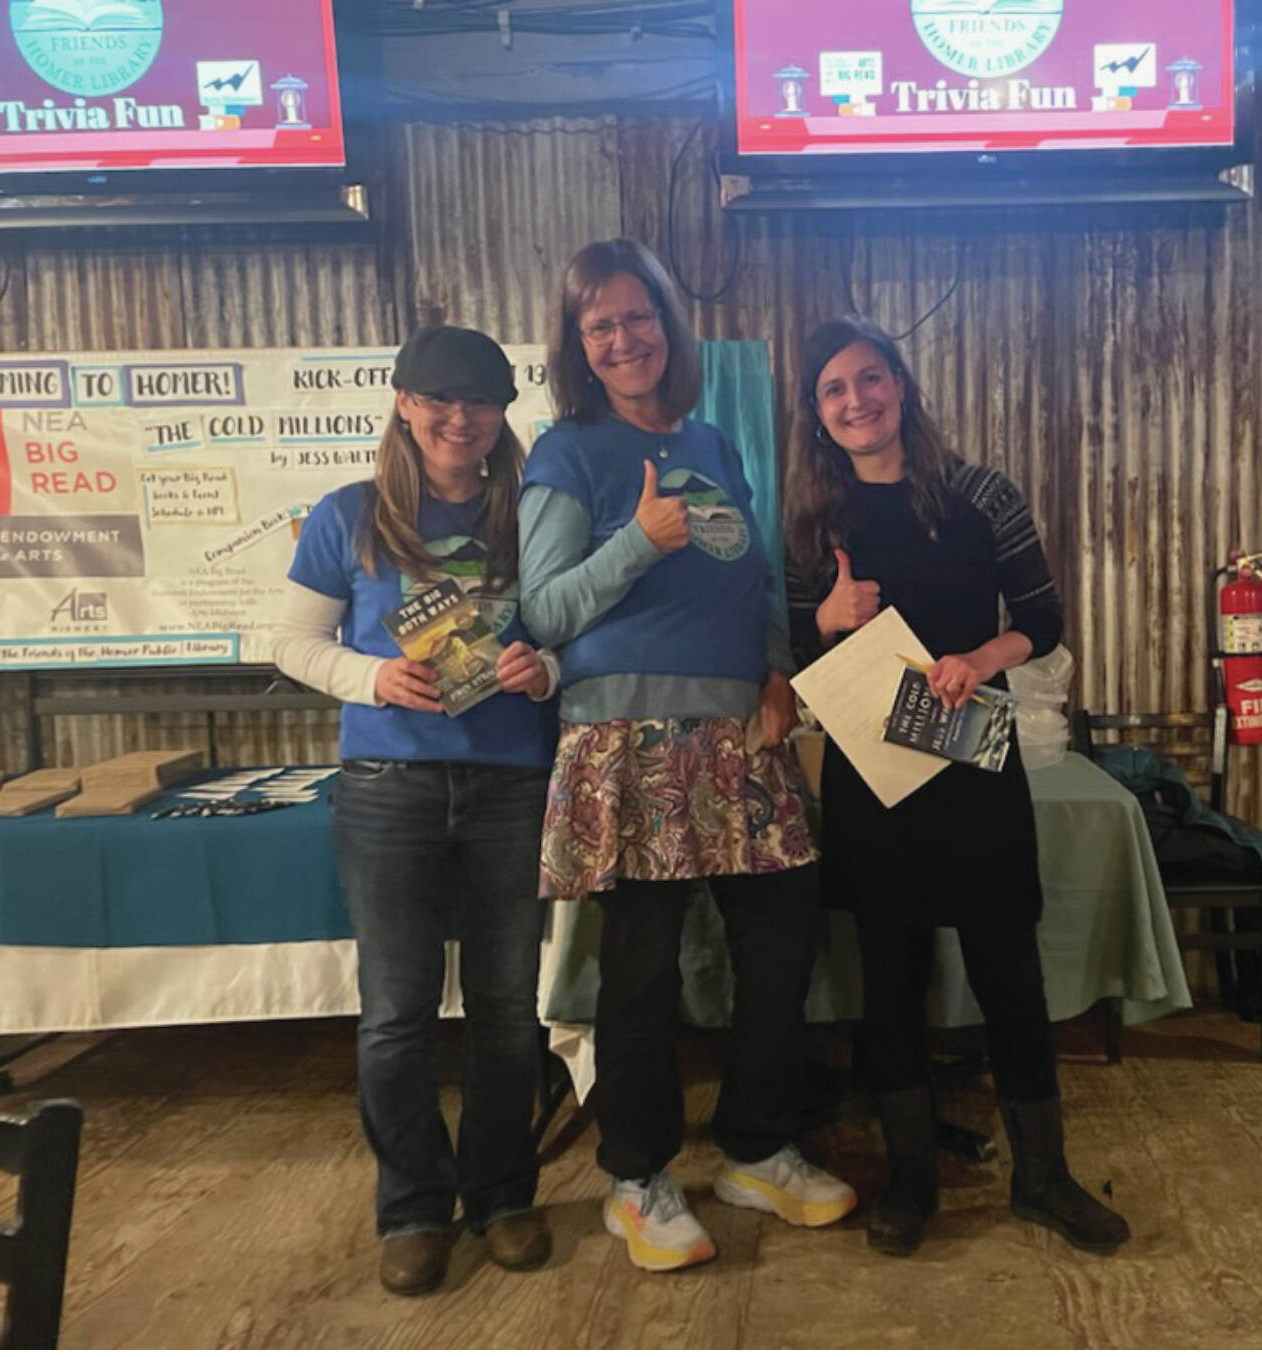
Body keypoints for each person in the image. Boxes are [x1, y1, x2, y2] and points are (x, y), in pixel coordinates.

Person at [518, 238, 856, 1272]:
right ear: (579, 346)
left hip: (739, 732)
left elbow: (754, 583)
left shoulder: (715, 438)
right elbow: (543, 606)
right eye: (600, 325)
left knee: (781, 938)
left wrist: (774, 669)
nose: (624, 338)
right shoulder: (566, 451)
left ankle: (756, 1146)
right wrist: (640, 538)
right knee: (642, 969)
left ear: (669, 320)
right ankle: (638, 1175)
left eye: (638, 315)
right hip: (628, 741)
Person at [783, 314, 1130, 1259]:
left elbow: (1045, 619)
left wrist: (981, 655)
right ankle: (910, 1179)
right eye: (834, 391)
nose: (857, 401)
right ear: (817, 415)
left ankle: (1043, 1178)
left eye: (870, 379)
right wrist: (824, 615)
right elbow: (784, 645)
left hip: (974, 750)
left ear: (900, 383)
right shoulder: (813, 519)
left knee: (1008, 971)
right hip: (873, 771)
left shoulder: (982, 494)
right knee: (886, 979)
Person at [271, 326, 560, 1295]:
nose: (460, 417)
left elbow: (579, 635)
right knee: (395, 1015)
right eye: (439, 397)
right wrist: (373, 678)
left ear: (502, 413)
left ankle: (503, 1194)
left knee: (508, 1011)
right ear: (402, 402)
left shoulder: (535, 514)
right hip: (388, 791)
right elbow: (294, 643)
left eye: (480, 400)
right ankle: (412, 1206)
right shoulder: (350, 515)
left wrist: (545, 665)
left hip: (512, 786)